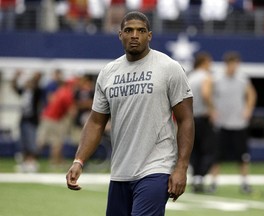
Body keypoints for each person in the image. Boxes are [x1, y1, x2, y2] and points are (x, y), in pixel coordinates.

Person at [66, 11, 195, 216]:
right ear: (120, 35)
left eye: (141, 31)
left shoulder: (169, 68)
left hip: (156, 168)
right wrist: (79, 161)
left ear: (149, 36)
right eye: (129, 30)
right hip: (120, 171)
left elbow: (186, 119)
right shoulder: (108, 72)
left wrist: (181, 167)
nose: (135, 35)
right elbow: (96, 122)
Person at [209, 51, 257, 194]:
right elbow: (209, 94)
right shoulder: (217, 78)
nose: (233, 67)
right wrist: (212, 110)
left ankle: (245, 184)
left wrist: (248, 109)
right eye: (231, 64)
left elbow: (252, 94)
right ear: (226, 64)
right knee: (217, 156)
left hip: (239, 124)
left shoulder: (243, 79)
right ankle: (213, 183)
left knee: (243, 156)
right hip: (222, 124)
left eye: (235, 64)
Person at [187, 51, 216, 193]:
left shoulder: (190, 76)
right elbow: (206, 94)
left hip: (190, 118)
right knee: (209, 151)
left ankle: (196, 179)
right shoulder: (206, 76)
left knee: (195, 151)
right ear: (204, 62)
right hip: (203, 118)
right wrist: (212, 109)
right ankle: (200, 177)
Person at [37, 78, 77, 169]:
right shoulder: (67, 94)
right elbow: (72, 111)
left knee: (41, 141)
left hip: (47, 117)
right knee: (56, 143)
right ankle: (54, 163)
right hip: (54, 120)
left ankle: (30, 159)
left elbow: (51, 99)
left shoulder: (60, 91)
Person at [11, 70, 43, 173]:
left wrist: (33, 77)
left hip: (32, 120)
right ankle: (25, 163)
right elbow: (14, 88)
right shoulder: (25, 91)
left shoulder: (36, 91)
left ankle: (32, 162)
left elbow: (37, 84)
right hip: (23, 119)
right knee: (23, 142)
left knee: (31, 142)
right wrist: (15, 77)